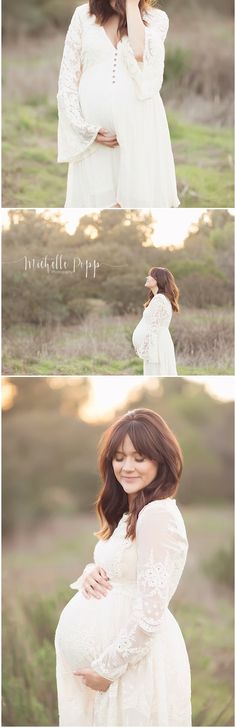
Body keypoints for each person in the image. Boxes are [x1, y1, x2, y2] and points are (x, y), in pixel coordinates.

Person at [55, 407, 192, 727]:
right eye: (119, 457)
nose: (126, 467)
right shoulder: (132, 512)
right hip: (113, 675)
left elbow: (149, 614)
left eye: (139, 457)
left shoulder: (157, 515)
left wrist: (107, 670)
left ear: (161, 459)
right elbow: (124, 570)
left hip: (131, 672)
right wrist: (92, 570)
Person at [57, 0, 179, 208]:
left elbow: (139, 53)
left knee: (135, 207)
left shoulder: (157, 20)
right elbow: (66, 79)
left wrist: (132, 4)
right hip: (96, 134)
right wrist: (85, 129)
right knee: (95, 209)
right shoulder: (82, 16)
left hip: (139, 128)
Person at [132, 267, 179, 375]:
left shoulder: (160, 300)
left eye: (151, 275)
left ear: (159, 280)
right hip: (156, 345)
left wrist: (147, 350)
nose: (147, 277)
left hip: (157, 347)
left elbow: (155, 328)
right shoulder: (158, 298)